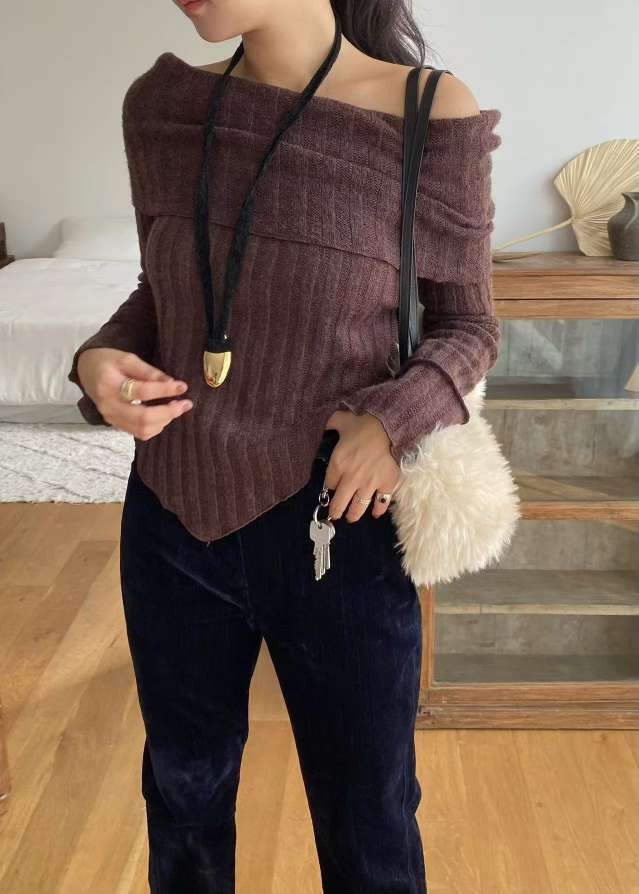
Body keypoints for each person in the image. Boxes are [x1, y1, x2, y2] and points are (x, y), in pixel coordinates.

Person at [67, 1, 502, 891]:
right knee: (182, 798)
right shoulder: (161, 106)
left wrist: (392, 420)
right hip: (171, 516)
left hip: (338, 524)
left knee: (369, 820)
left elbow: (468, 326)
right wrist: (95, 359)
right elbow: (164, 293)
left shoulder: (427, 111)